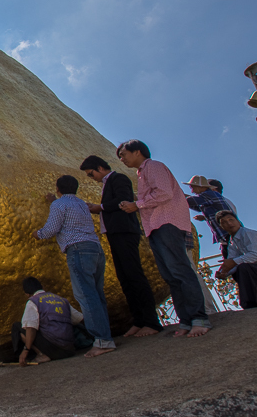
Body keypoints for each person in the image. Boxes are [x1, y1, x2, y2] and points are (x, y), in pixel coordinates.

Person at [116, 140, 211, 337]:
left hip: (167, 222)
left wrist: (137, 204)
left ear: (138, 152)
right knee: (170, 276)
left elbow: (164, 193)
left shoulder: (153, 166)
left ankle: (199, 317)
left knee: (180, 270)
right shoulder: (141, 174)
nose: (122, 159)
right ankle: (186, 320)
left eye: (124, 154)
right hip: (155, 226)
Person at [79, 155, 162, 337]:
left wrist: (99, 207)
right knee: (125, 278)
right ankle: (138, 320)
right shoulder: (107, 184)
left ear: (100, 168)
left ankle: (151, 321)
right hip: (114, 233)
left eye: (91, 174)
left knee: (135, 275)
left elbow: (123, 199)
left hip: (125, 232)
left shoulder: (119, 178)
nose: (91, 178)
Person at [35, 175, 116, 357]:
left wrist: (38, 234)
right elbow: (68, 211)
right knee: (96, 294)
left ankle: (103, 341)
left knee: (86, 296)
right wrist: (54, 201)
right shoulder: (81, 204)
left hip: (78, 250)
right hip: (95, 249)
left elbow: (51, 228)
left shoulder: (59, 205)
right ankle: (106, 336)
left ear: (58, 188)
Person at [12, 276, 83, 366]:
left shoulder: (33, 302)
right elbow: (80, 319)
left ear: (27, 294)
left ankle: (42, 354)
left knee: (17, 327)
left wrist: (25, 350)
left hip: (53, 351)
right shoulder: (61, 299)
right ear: (42, 287)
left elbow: (31, 329)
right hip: (70, 350)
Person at [184, 175, 234, 258]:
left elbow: (190, 201)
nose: (192, 191)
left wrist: (178, 195)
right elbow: (198, 207)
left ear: (199, 186)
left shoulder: (208, 195)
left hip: (227, 233)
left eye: (193, 187)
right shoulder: (209, 196)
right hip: (226, 234)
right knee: (229, 256)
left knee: (231, 257)